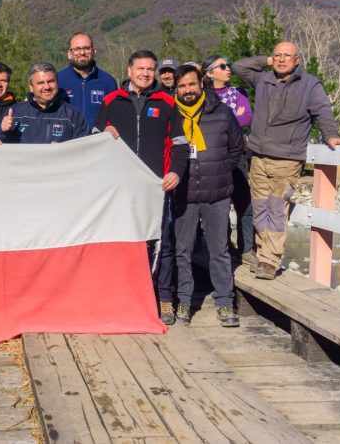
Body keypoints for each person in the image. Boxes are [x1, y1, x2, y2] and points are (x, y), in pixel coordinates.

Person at [233, 41, 340, 280]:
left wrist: (331, 135)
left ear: (298, 60)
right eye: (277, 55)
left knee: (276, 208)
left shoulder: (309, 84)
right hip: (258, 156)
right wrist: (267, 59)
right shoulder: (263, 79)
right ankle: (263, 254)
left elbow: (322, 111)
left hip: (286, 158)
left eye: (287, 56)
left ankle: (270, 260)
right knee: (260, 208)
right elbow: (239, 66)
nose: (281, 59)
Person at [93, 50, 188, 324]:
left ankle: (164, 298)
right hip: (120, 187)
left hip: (156, 186)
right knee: (122, 241)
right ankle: (122, 295)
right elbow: (93, 138)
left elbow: (181, 145)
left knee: (162, 242)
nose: (146, 73)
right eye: (141, 68)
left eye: (150, 69)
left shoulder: (167, 103)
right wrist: (103, 135)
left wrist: (176, 172)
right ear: (129, 70)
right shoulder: (112, 101)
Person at [172, 65, 244, 328]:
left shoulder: (221, 112)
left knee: (220, 250)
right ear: (175, 89)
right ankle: (184, 300)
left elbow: (236, 147)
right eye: (181, 86)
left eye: (191, 84)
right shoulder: (172, 116)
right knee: (183, 250)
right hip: (184, 193)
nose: (187, 90)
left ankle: (225, 302)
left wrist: (222, 169)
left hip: (217, 193)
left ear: (201, 83)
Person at [203, 54, 253, 260]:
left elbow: (247, 116)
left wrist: (221, 123)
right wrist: (232, 118)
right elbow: (206, 122)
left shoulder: (237, 92)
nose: (228, 69)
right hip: (213, 156)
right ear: (209, 72)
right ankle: (224, 247)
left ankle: (247, 249)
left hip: (236, 154)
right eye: (222, 66)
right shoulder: (202, 95)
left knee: (245, 203)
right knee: (219, 205)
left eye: (228, 65)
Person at [0, 62, 88, 144]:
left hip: (59, 164)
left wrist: (64, 151)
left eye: (51, 81)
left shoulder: (73, 115)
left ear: (57, 83)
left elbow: (84, 148)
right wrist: (2, 132)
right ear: (31, 87)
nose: (47, 87)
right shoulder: (15, 113)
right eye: (40, 83)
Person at [56, 32, 117, 127]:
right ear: (69, 54)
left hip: (97, 140)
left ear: (94, 51)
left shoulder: (108, 82)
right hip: (65, 140)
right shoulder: (57, 80)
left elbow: (114, 116)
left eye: (86, 48)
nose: (82, 52)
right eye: (77, 49)